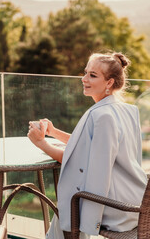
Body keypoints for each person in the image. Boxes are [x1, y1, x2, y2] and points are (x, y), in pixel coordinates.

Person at [27, 52, 147, 239]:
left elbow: (80, 162)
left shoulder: (101, 116)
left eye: (93, 75)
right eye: (85, 73)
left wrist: (41, 143)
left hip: (118, 208)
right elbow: (86, 145)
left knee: (67, 205)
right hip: (136, 200)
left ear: (109, 83)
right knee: (67, 207)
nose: (84, 79)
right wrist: (54, 132)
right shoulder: (126, 110)